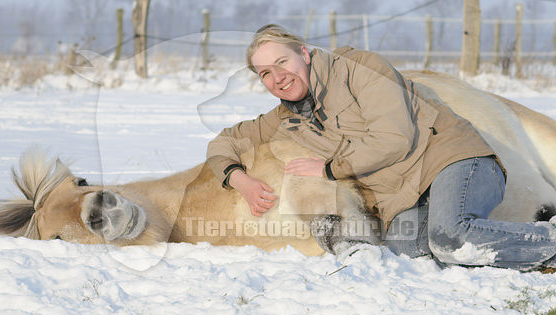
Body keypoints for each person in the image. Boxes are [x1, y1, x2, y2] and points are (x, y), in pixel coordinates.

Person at [206, 24, 556, 271]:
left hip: (453, 161)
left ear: (305, 53)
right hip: (410, 194)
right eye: (265, 73)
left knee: (449, 238)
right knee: (404, 251)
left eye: (281, 63)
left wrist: (329, 169)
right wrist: (240, 180)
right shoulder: (285, 118)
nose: (276, 77)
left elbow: (395, 138)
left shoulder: (360, 69)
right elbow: (223, 142)